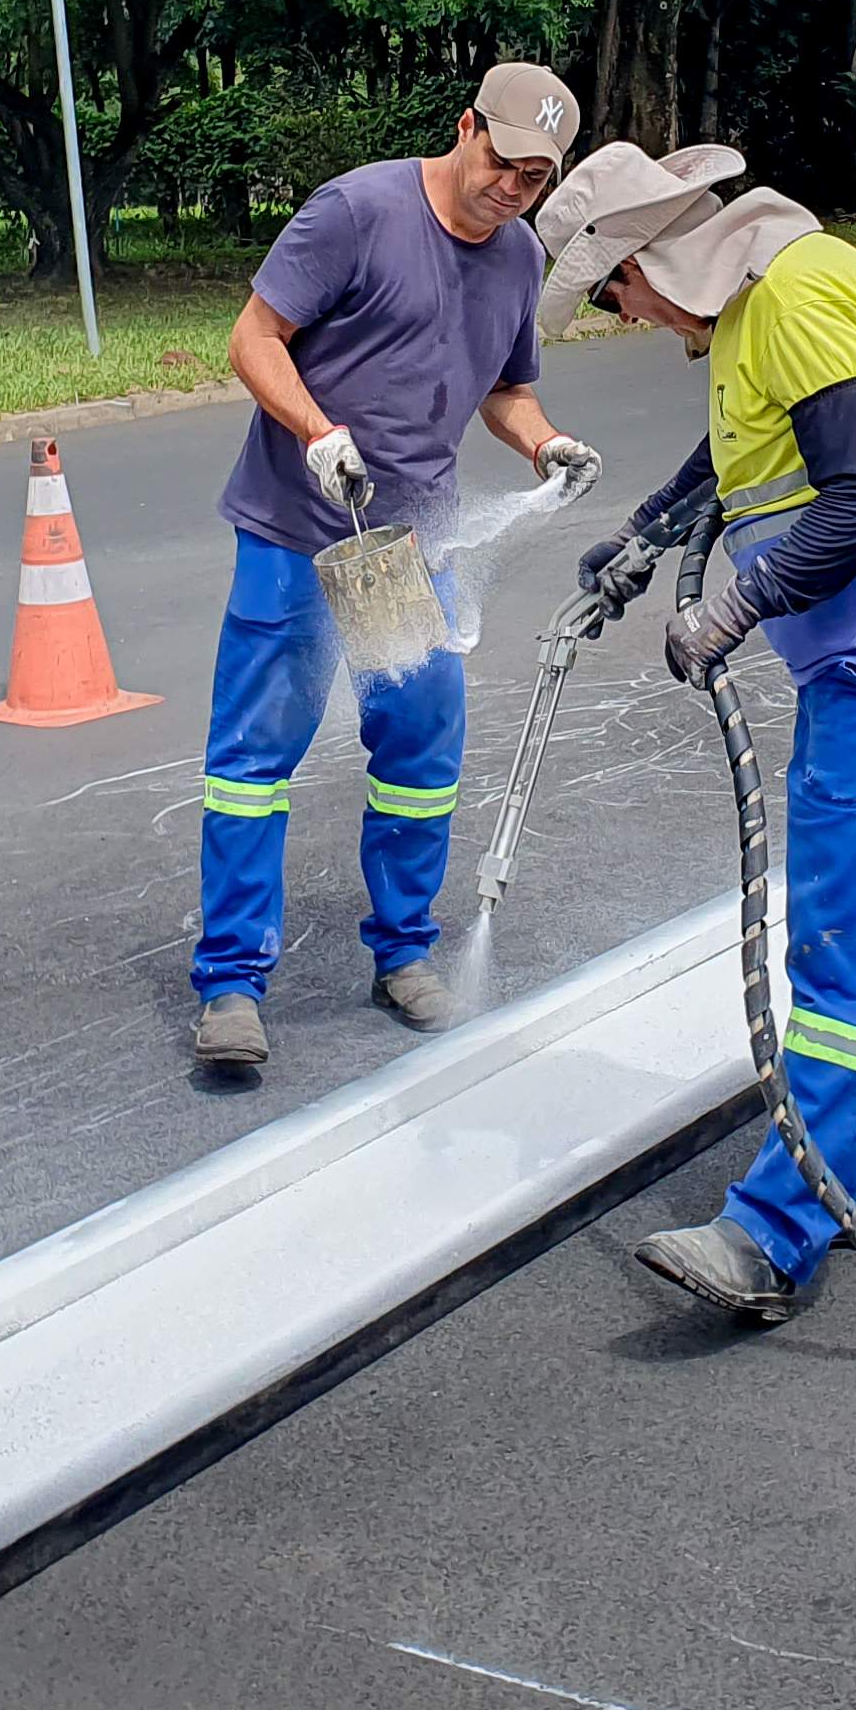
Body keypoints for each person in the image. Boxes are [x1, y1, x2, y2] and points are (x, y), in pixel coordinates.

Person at [535, 141, 856, 1327]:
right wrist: (652, 533)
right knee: (854, 946)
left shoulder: (795, 294)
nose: (628, 315)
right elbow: (751, 455)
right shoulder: (761, 304)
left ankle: (771, 1235)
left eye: (615, 293)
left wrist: (732, 609)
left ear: (645, 257)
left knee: (848, 961)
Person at [190, 64, 603, 1073]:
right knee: (254, 765)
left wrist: (543, 442)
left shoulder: (514, 261)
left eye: (536, 178)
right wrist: (317, 431)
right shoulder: (357, 211)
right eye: (502, 162)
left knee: (419, 761)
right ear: (465, 127)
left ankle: (404, 951)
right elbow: (254, 338)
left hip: (406, 549)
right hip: (296, 532)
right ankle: (232, 984)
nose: (512, 188)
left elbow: (505, 390)